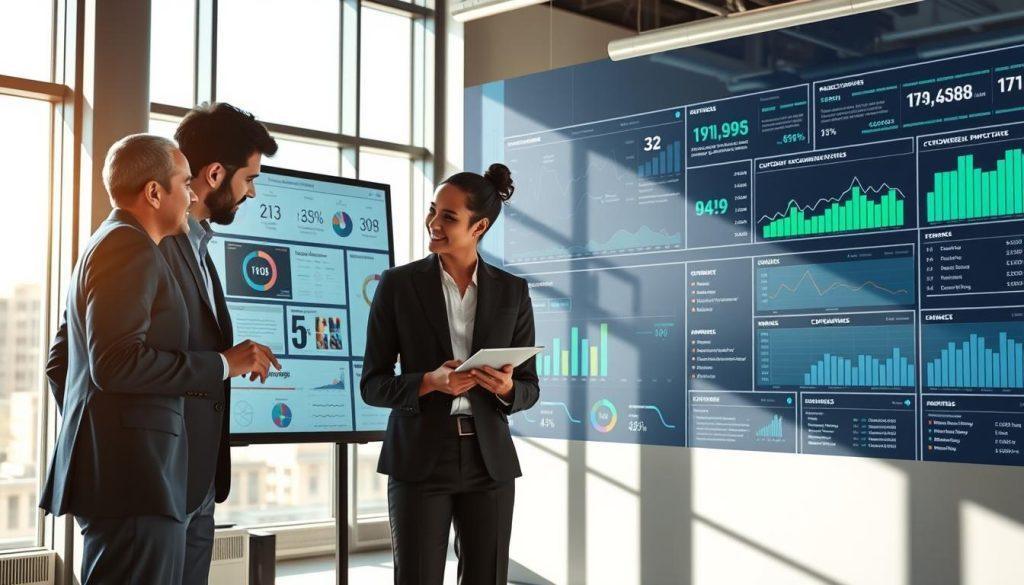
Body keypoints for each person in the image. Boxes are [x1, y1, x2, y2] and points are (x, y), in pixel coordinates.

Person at [40, 134, 280, 585]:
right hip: (139, 481)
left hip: (144, 479)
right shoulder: (127, 246)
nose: (192, 196)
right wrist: (223, 365)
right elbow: (113, 363)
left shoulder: (119, 242)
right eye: (184, 183)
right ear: (154, 192)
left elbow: (74, 365)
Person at [360, 163, 540, 585]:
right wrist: (429, 382)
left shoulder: (513, 292)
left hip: (489, 462)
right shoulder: (398, 285)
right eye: (432, 211)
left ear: (479, 227)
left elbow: (530, 387)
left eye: (448, 217)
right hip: (421, 459)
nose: (433, 223)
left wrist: (509, 388)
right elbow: (372, 383)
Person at [160, 102, 278, 584]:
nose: (251, 191)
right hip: (158, 483)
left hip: (198, 483)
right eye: (249, 178)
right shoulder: (148, 243)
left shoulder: (200, 247)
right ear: (214, 173)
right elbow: (69, 360)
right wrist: (120, 449)